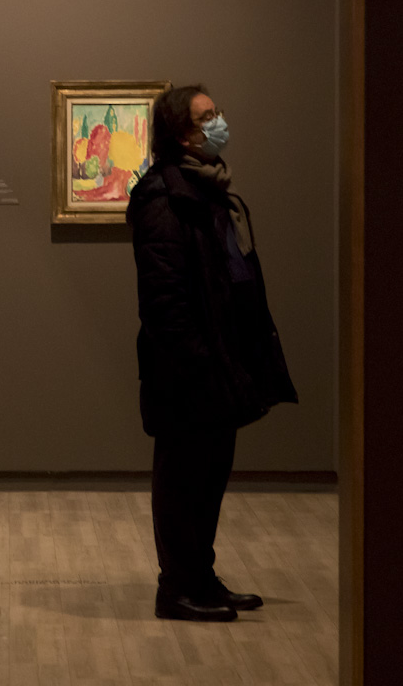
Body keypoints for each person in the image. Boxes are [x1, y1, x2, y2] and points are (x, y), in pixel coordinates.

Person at [126, 84, 298, 622]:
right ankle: (177, 589)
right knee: (182, 481)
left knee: (208, 479)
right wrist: (200, 363)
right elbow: (164, 301)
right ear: (182, 133)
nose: (220, 123)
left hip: (220, 360)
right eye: (207, 117)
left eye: (218, 112)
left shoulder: (207, 189)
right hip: (188, 370)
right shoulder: (163, 198)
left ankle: (202, 578)